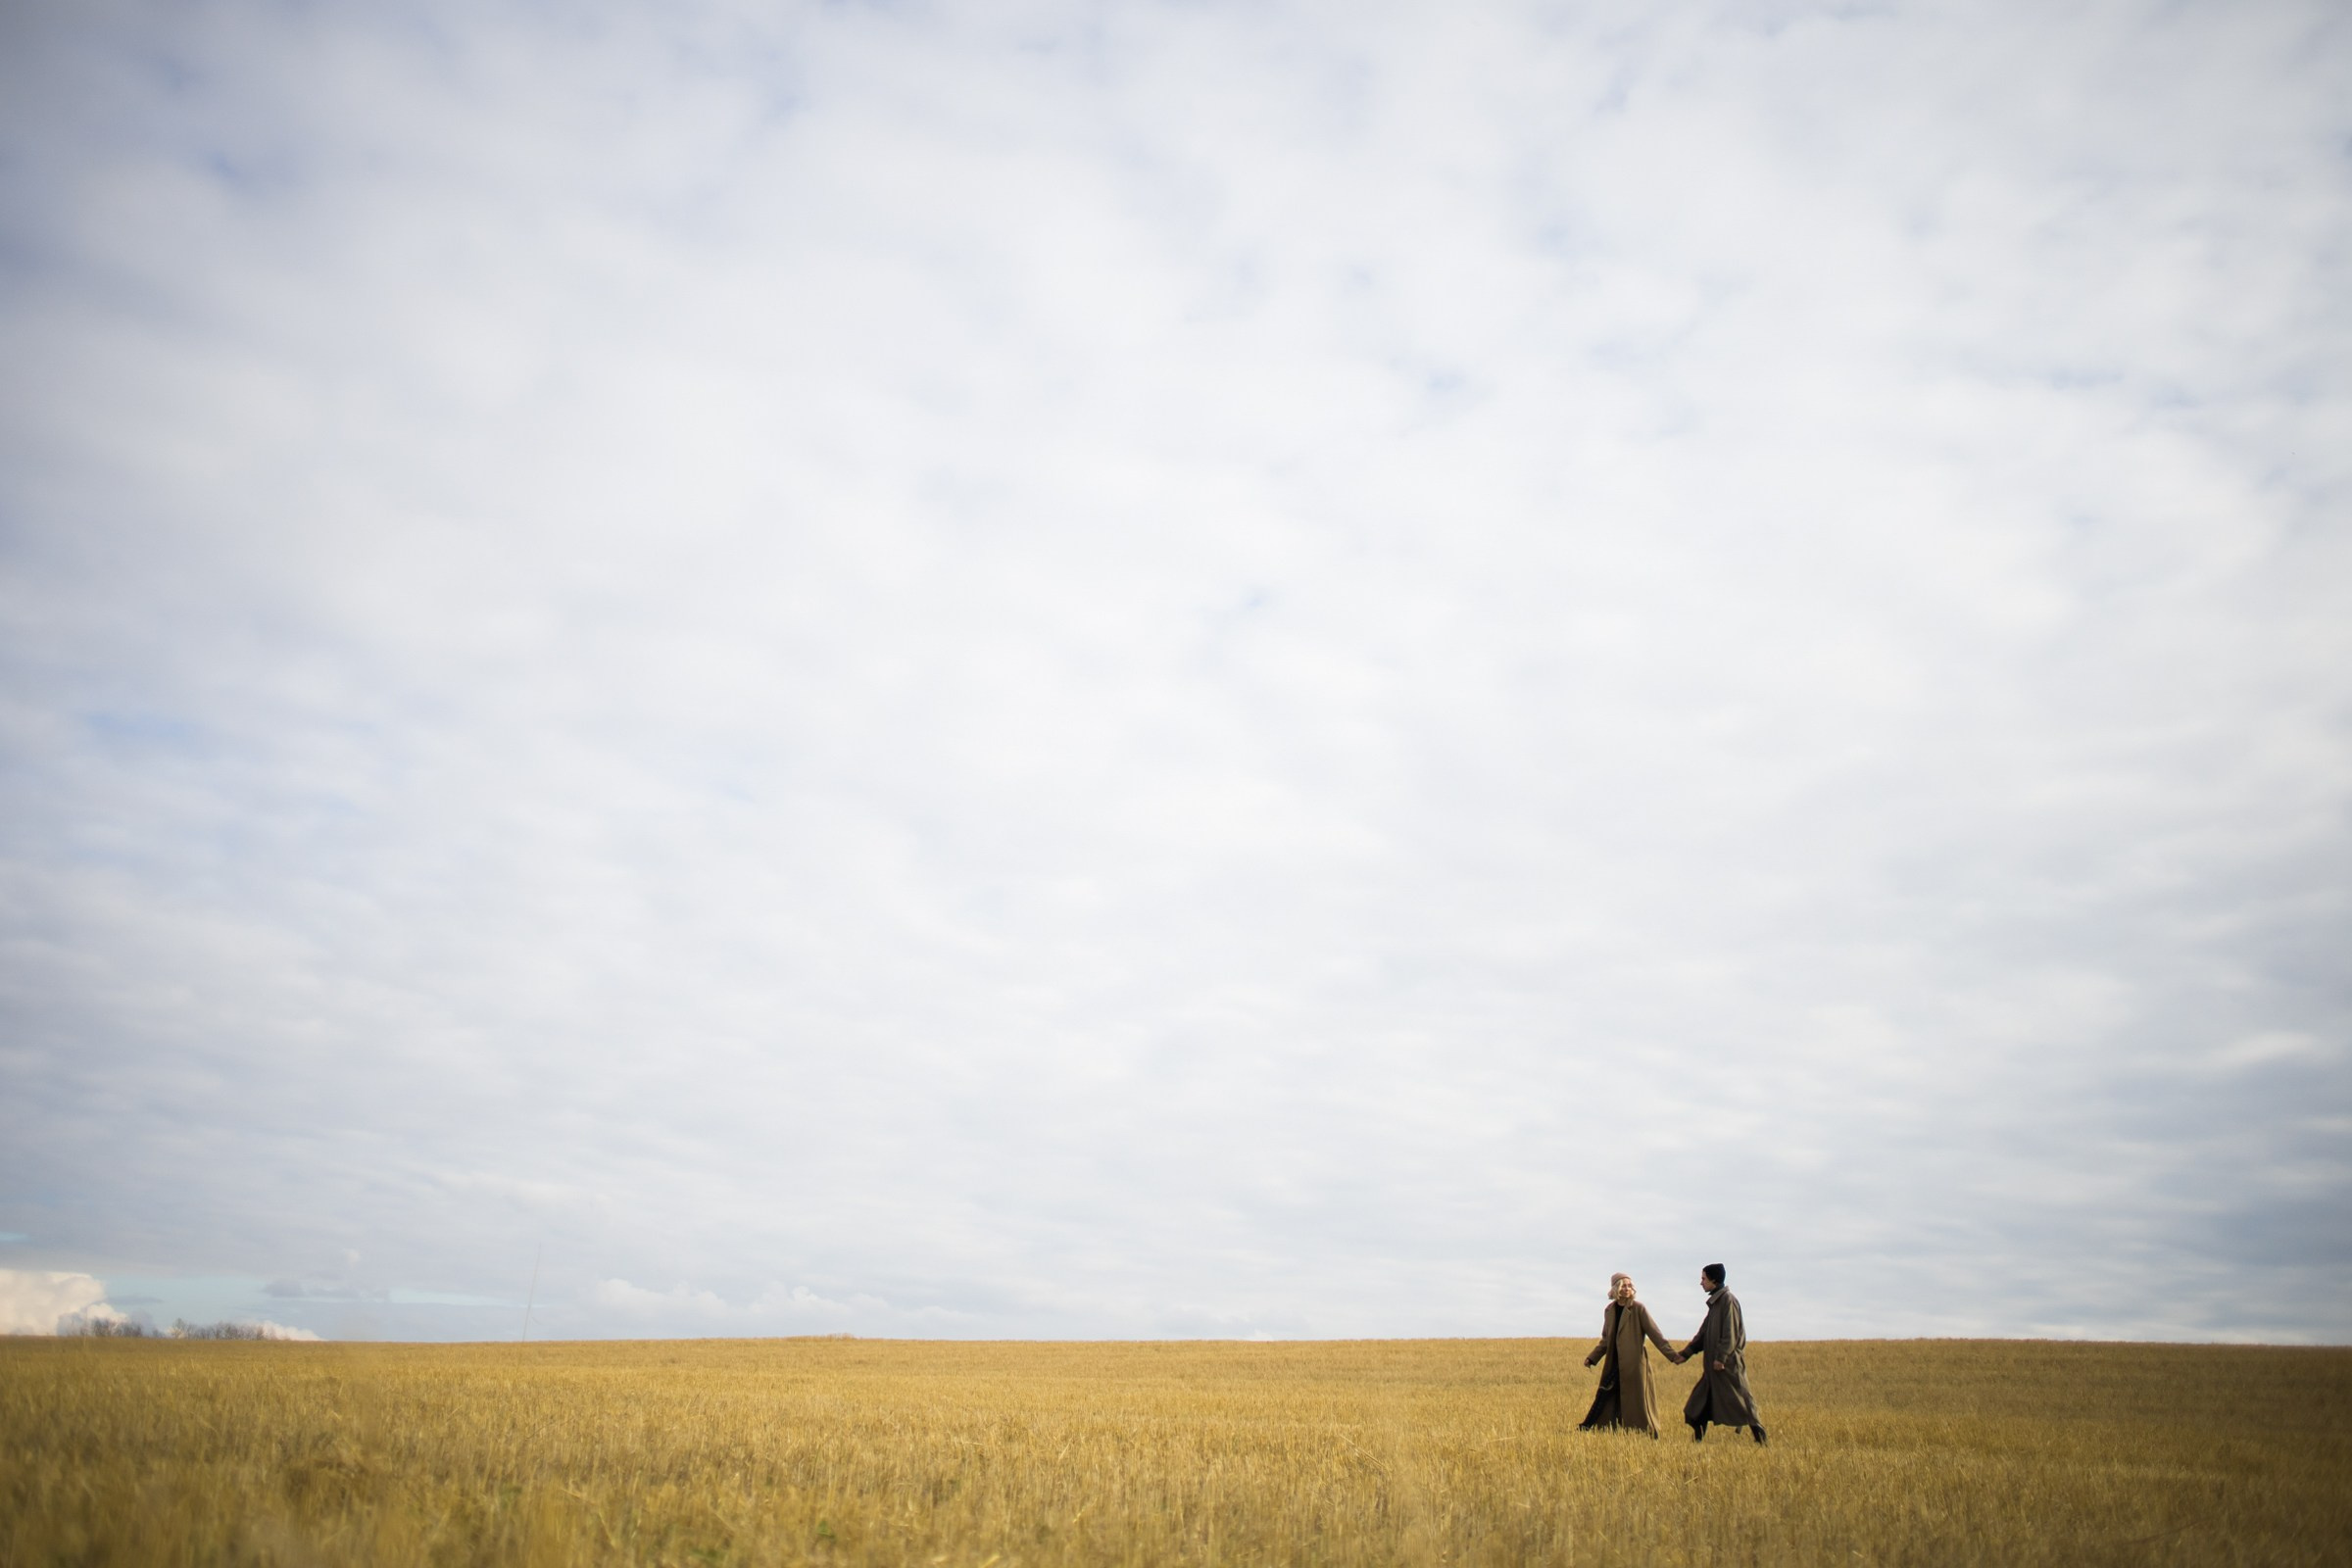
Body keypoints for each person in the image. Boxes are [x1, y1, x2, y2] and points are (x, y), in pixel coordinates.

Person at [1579, 1273, 1683, 1437]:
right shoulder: (1609, 1310)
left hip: (1634, 1364)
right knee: (1606, 1397)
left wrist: (1673, 1356)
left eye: (1629, 1286)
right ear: (1616, 1289)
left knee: (1637, 1402)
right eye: (1623, 1286)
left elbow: (1655, 1335)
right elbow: (1606, 1339)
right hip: (1614, 1362)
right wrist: (1592, 1357)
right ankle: (1602, 1430)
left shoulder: (1638, 1309)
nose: (1627, 1289)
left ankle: (1646, 1432)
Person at [1681, 1262, 1767, 1444]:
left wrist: (1721, 1358)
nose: (1701, 1282)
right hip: (1712, 1369)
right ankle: (1697, 1443)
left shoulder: (1728, 1301)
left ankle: (1760, 1437)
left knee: (1743, 1403)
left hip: (1727, 1367)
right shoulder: (1716, 1304)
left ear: (1714, 1280)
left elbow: (1730, 1333)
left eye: (1704, 1279)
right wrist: (1686, 1353)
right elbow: (1703, 1334)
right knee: (1698, 1405)